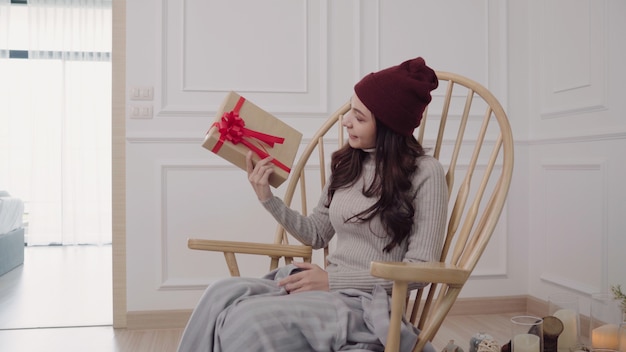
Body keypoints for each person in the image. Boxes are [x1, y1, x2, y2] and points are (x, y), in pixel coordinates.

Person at [177, 57, 448, 352]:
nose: (346, 121)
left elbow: (420, 271)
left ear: (388, 126)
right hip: (325, 287)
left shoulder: (426, 172)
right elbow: (316, 234)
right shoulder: (348, 162)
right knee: (220, 293)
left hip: (367, 304)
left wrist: (332, 279)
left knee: (247, 320)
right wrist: (267, 198)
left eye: (359, 117)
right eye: (349, 110)